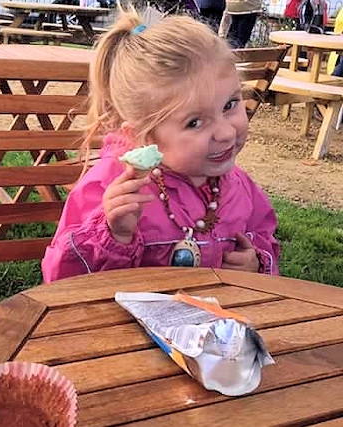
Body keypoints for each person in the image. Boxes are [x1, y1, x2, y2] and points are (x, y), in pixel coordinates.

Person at [41, 9, 280, 282]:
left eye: (230, 104)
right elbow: (62, 283)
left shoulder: (239, 187)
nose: (225, 133)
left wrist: (256, 263)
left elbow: (265, 240)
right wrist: (114, 236)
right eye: (194, 122)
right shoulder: (111, 191)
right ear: (143, 136)